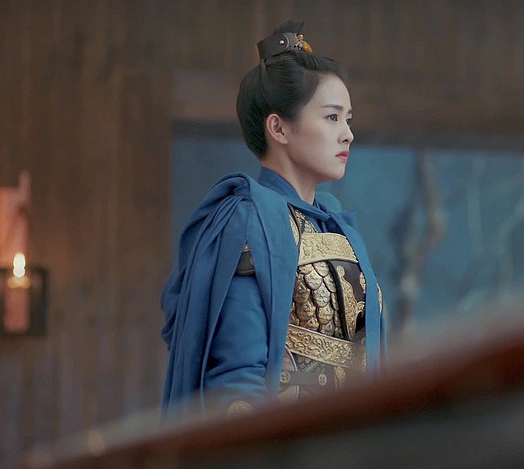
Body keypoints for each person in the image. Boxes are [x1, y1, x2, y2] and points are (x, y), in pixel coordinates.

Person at [160, 20, 386, 419]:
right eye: (332, 118)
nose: (347, 134)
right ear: (279, 127)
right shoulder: (246, 221)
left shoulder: (337, 225)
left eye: (348, 120)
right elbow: (237, 376)